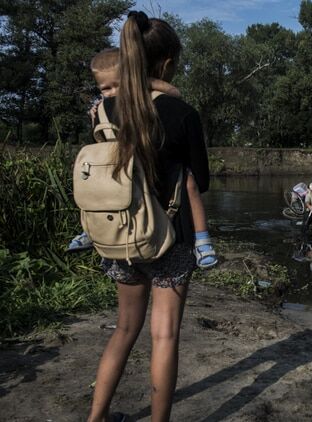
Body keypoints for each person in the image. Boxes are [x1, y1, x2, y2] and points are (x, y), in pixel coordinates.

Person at [87, 11, 210, 422]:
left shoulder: (103, 109)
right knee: (164, 335)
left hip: (119, 236)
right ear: (168, 62)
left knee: (124, 330)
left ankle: (96, 418)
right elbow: (201, 181)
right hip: (170, 236)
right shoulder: (182, 114)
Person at [67, 47, 217, 270]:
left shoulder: (103, 109)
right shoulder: (175, 111)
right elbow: (174, 93)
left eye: (117, 86)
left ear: (131, 81)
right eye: (105, 89)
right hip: (156, 212)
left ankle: (91, 231)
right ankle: (203, 240)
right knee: (189, 181)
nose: (112, 94)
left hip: (121, 210)